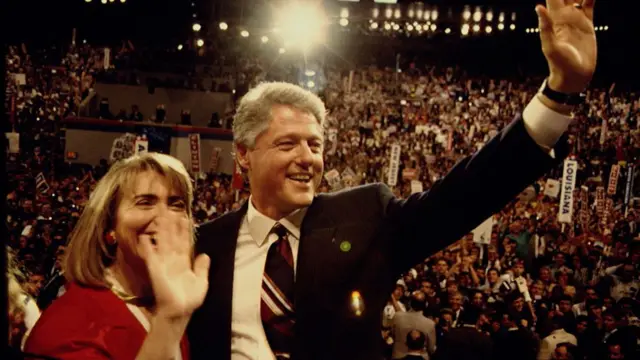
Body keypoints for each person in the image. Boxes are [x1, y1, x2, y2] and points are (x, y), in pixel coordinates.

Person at [188, 1, 598, 359]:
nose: (306, 159)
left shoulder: (364, 216)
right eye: (287, 144)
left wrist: (560, 93)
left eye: (314, 144)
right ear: (243, 153)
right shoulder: (204, 246)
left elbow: (466, 194)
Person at [24, 153, 210, 359]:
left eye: (176, 204)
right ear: (109, 226)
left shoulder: (163, 303)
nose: (165, 217)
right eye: (145, 202)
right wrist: (169, 322)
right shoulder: (69, 323)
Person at [392, 291, 436, 359]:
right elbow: (431, 348)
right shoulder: (430, 324)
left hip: (398, 356)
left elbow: (393, 334)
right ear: (425, 304)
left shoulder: (397, 316)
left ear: (410, 303)